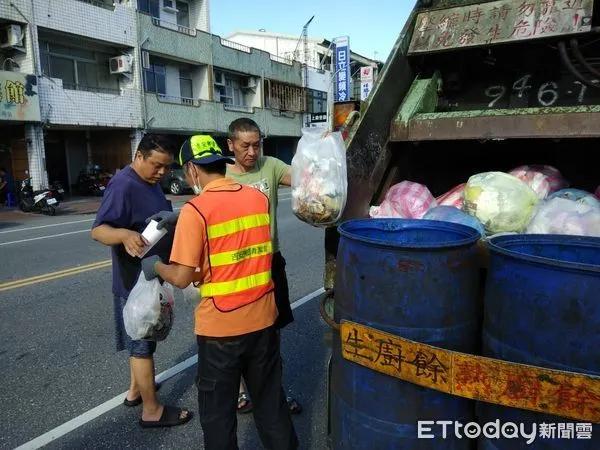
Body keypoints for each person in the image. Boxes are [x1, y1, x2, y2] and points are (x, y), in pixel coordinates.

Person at [141, 135, 298, 449]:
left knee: (218, 415)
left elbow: (183, 277)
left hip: (221, 330)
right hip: (263, 319)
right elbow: (237, 243)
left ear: (192, 171)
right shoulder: (257, 199)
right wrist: (180, 221)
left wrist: (156, 266)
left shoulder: (195, 211)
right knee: (270, 404)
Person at [91, 134, 192, 428]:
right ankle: (152, 410)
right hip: (135, 282)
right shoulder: (123, 184)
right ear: (139, 156)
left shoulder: (149, 182)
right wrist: (123, 235)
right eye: (157, 165)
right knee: (142, 345)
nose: (162, 173)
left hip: (151, 276)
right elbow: (98, 230)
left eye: (167, 168)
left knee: (144, 339)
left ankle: (136, 391)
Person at [225, 118, 301, 415]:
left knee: (273, 330)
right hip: (236, 267)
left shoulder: (270, 165)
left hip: (270, 261)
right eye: (245, 146)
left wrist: (320, 151)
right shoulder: (221, 174)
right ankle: (242, 391)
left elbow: (303, 178)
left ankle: (273, 393)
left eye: (257, 145)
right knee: (242, 334)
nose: (252, 152)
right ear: (230, 144)